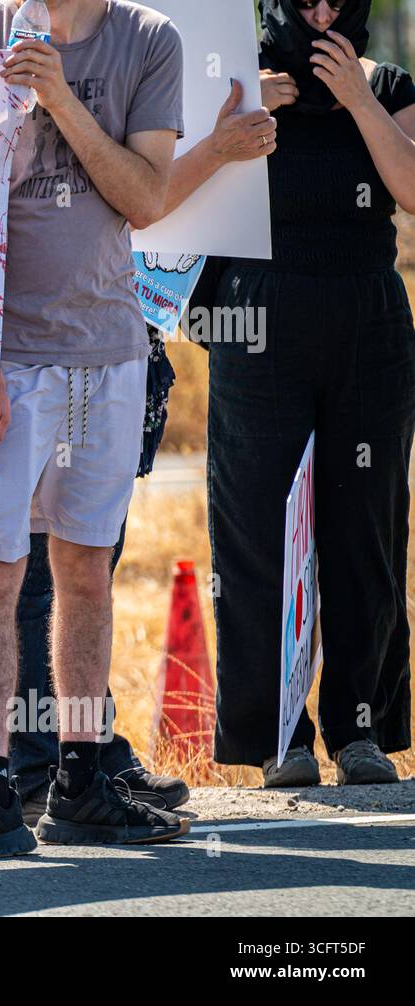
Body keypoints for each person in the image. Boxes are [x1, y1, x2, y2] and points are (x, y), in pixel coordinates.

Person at [0, 0, 191, 861]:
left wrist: (62, 100)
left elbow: (145, 199)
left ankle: (80, 780)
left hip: (105, 348)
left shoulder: (150, 40)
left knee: (86, 571)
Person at [10, 42, 286, 825]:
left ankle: (81, 754)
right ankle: (51, 764)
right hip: (57, 340)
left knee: (82, 565)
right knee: (45, 571)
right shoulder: (42, 47)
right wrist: (218, 144)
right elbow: (135, 193)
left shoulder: (142, 39)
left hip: (126, 340)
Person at [197, 0, 415, 787]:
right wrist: (240, 114)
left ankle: (361, 729)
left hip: (368, 316)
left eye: (338, 2)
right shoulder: (233, 78)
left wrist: (359, 100)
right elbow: (171, 186)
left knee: (367, 528)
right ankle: (275, 736)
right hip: (256, 313)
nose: (322, 14)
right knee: (256, 526)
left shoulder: (386, 82)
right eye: (305, 2)